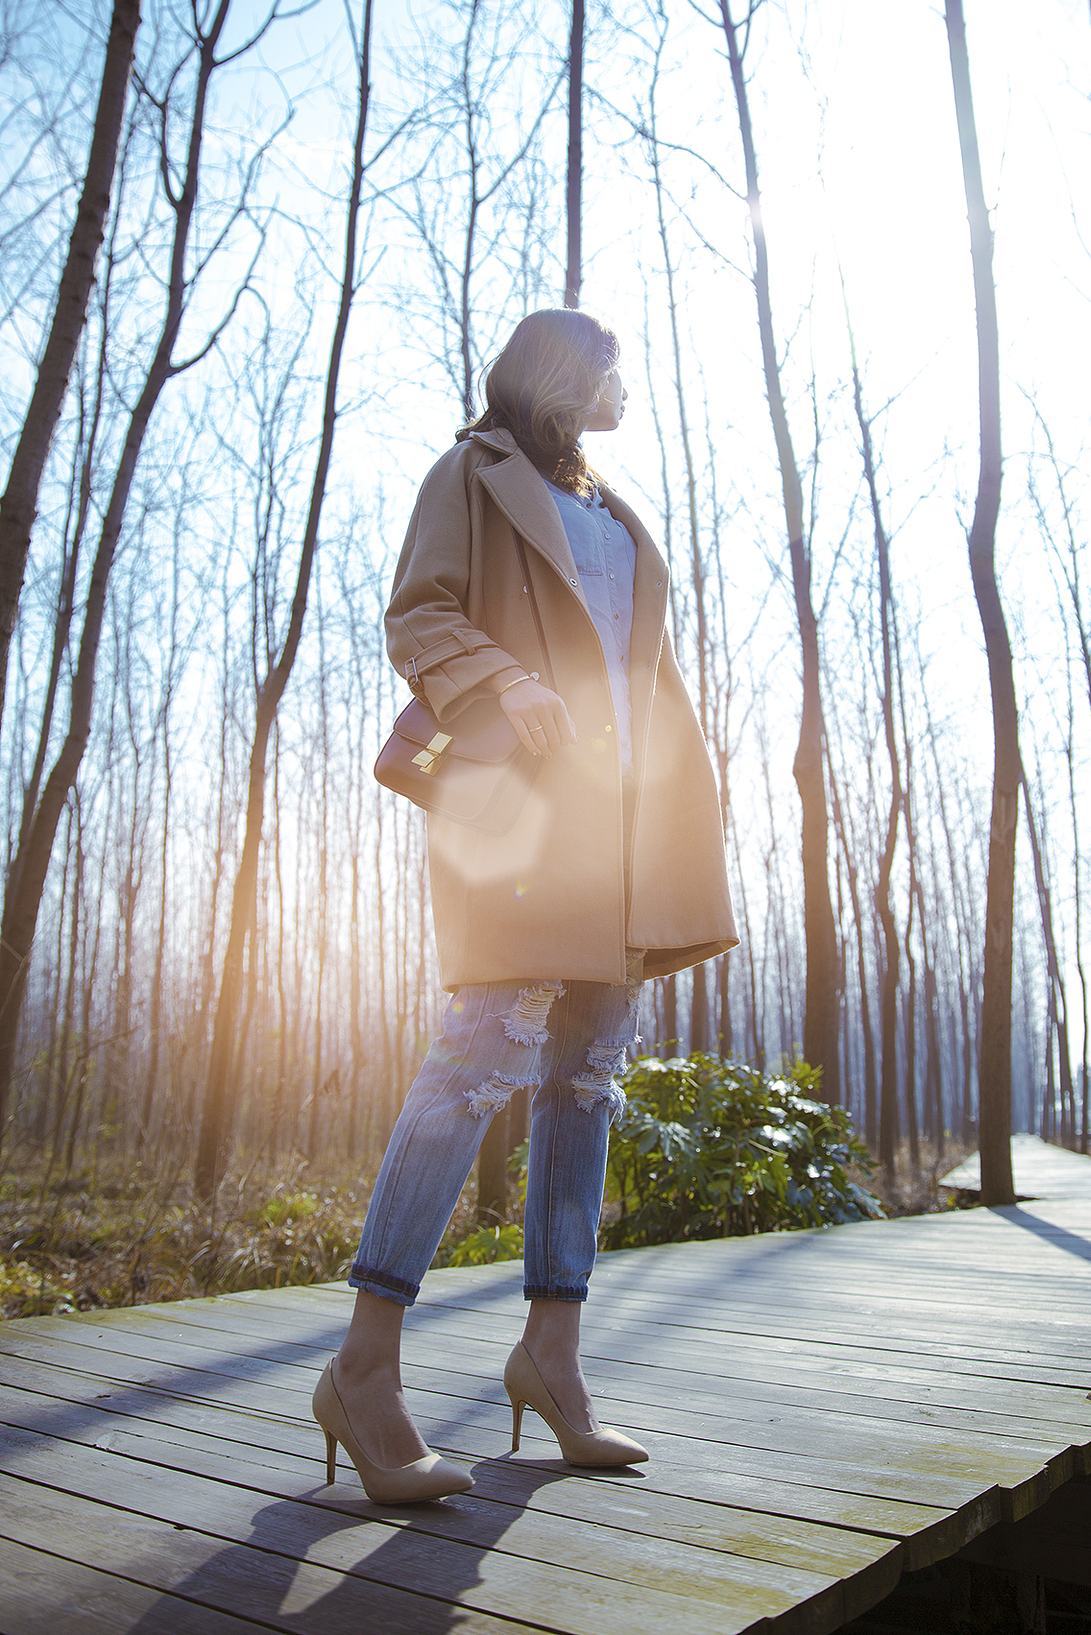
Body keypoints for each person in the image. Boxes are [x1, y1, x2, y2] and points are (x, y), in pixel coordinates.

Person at [313, 307, 737, 1502]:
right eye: (611, 364)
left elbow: (632, 665)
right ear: (560, 374)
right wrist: (501, 676)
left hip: (621, 819)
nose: (626, 384)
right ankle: (363, 1366)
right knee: (476, 1058)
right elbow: (418, 614)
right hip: (522, 808)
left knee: (588, 1074)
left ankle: (553, 1360)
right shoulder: (471, 472)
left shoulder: (607, 506)